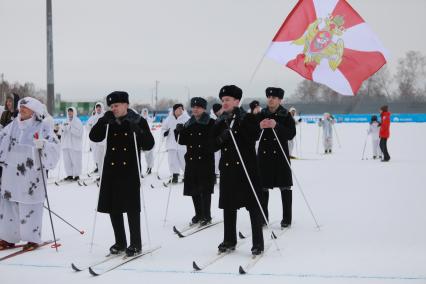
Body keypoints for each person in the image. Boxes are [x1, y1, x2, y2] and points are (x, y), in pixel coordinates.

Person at [89, 91, 154, 257]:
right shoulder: (109, 121)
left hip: (130, 169)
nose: (114, 109)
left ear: (126, 104)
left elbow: (149, 144)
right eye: (111, 106)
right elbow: (94, 137)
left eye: (116, 105)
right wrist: (102, 121)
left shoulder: (138, 120)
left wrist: (138, 130)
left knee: (132, 207)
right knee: (113, 207)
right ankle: (120, 241)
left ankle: (136, 243)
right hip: (111, 169)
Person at [210, 85, 264, 255]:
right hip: (228, 170)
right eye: (223, 100)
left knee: (253, 207)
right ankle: (229, 239)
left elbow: (254, 135)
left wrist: (239, 124)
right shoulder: (221, 120)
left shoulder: (247, 117)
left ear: (237, 101)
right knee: (228, 206)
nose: (224, 103)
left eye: (228, 100)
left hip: (246, 169)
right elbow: (210, 145)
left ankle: (258, 243)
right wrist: (221, 137)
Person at [0, 97, 60, 250]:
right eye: (20, 107)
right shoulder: (12, 126)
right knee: (8, 205)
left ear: (34, 111)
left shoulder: (43, 127)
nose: (21, 109)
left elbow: (54, 146)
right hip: (11, 173)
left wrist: (44, 146)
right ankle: (8, 237)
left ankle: (32, 238)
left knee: (31, 205)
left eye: (25, 108)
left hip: (31, 175)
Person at [257, 87, 296, 228]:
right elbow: (252, 133)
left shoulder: (286, 115)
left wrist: (277, 125)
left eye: (274, 97)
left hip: (280, 156)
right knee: (262, 187)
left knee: (285, 187)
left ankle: (287, 218)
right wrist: (259, 126)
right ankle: (262, 217)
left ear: (280, 100)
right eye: (269, 97)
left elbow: (291, 134)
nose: (270, 99)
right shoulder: (261, 114)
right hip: (264, 156)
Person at [175, 97, 216, 226]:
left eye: (198, 107)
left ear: (204, 108)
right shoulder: (189, 123)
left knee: (205, 189)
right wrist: (178, 132)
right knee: (194, 189)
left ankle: (206, 215)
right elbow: (182, 141)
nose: (195, 109)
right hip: (192, 160)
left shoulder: (211, 123)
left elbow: (214, 141)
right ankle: (198, 213)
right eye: (193, 107)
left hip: (205, 160)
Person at [161, 104, 190, 183]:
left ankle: (187, 175)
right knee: (172, 161)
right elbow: (163, 128)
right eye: (178, 109)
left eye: (181, 109)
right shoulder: (169, 119)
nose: (180, 110)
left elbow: (190, 130)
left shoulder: (187, 119)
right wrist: (165, 133)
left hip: (182, 145)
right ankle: (175, 175)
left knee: (184, 160)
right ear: (174, 110)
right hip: (171, 144)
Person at [60, 107, 83, 181]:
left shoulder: (77, 121)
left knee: (76, 160)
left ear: (74, 112)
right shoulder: (65, 121)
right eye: (69, 111)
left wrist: (70, 128)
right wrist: (62, 129)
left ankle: (76, 175)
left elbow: (79, 133)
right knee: (67, 161)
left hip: (74, 145)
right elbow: (61, 131)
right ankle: (69, 174)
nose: (70, 113)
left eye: (71, 111)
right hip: (66, 144)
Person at [86, 102, 106, 177]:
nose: (98, 109)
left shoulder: (105, 116)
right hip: (95, 143)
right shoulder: (93, 117)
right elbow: (87, 126)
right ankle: (100, 174)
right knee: (97, 159)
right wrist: (90, 127)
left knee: (104, 159)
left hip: (103, 142)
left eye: (99, 107)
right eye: (97, 107)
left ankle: (104, 175)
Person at [141, 108, 154, 175]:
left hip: (149, 139)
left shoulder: (149, 119)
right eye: (144, 112)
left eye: (146, 112)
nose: (145, 113)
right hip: (141, 139)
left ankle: (149, 168)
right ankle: (138, 169)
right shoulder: (139, 119)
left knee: (149, 155)